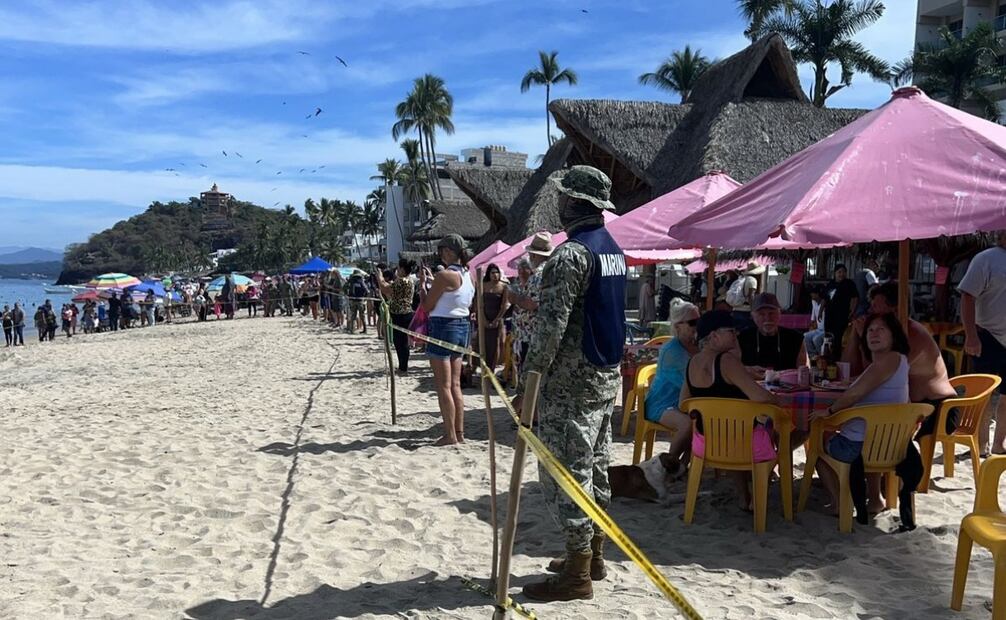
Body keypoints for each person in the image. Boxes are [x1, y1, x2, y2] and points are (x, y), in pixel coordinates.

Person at [520, 166, 626, 603]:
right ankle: (592, 555)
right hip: (604, 376)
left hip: (572, 381)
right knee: (596, 466)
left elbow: (551, 327)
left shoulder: (572, 254)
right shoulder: (613, 250)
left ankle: (578, 572)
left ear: (570, 203)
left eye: (562, 198)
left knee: (565, 471)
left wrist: (531, 378)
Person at [808, 313, 922, 530]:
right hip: (891, 445)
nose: (874, 334)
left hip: (859, 448)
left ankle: (838, 502)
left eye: (881, 329)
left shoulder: (888, 360)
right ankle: (875, 498)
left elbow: (852, 395)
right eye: (870, 330)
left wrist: (829, 411)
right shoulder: (900, 361)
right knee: (870, 436)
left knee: (818, 448)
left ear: (894, 335)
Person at [679, 310, 778, 511]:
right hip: (741, 444)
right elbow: (759, 396)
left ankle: (744, 497)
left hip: (707, 443)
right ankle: (758, 496)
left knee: (732, 427)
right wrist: (780, 400)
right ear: (714, 336)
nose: (736, 334)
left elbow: (684, 402)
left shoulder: (692, 363)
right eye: (731, 331)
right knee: (782, 434)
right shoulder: (726, 361)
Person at [420, 234, 475, 446]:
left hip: (443, 326)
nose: (441, 254)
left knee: (443, 386)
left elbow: (427, 306)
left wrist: (423, 287)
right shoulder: (469, 275)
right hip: (462, 326)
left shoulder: (445, 275)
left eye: (443, 250)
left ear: (449, 252)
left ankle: (450, 434)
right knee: (455, 385)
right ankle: (459, 433)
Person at [959, 230, 1006, 455]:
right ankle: (981, 443)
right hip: (987, 335)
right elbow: (967, 295)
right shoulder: (986, 258)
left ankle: (999, 443)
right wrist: (971, 335)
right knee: (984, 395)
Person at [644, 299, 700, 466]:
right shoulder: (672, 350)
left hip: (684, 403)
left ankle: (684, 465)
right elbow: (696, 380)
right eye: (692, 323)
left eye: (699, 321)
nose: (697, 326)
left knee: (703, 422)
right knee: (688, 424)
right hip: (662, 404)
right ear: (678, 326)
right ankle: (669, 465)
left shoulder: (695, 346)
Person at [507, 233, 552, 382]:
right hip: (537, 333)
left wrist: (515, 298)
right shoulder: (550, 271)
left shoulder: (538, 275)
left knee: (528, 378)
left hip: (531, 335)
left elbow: (532, 303)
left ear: (533, 255)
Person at [738, 293, 808, 372]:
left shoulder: (795, 338)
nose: (767, 318)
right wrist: (749, 370)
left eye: (771, 313)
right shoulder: (742, 338)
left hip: (785, 383)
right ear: (753, 316)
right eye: (761, 314)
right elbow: (733, 369)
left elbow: (802, 372)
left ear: (779, 314)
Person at [376, 258, 416, 375]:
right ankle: (402, 366)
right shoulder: (408, 280)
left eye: (398, 268)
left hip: (401, 314)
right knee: (400, 342)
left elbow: (385, 289)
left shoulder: (403, 281)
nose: (397, 270)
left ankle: (403, 368)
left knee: (400, 343)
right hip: (403, 313)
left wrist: (379, 276)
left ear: (403, 269)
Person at [479, 263, 509, 374]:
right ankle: (481, 369)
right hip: (484, 318)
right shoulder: (484, 285)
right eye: (492, 273)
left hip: (497, 319)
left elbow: (504, 305)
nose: (495, 275)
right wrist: (483, 319)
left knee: (495, 345)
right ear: (489, 274)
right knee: (482, 343)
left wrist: (497, 320)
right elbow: (479, 303)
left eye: (497, 272)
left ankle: (491, 370)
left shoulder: (504, 286)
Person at [824, 263, 859, 357]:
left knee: (838, 338)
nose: (841, 274)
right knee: (828, 337)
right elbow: (825, 299)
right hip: (829, 315)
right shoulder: (830, 284)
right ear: (835, 273)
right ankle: (827, 358)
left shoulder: (849, 284)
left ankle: (837, 359)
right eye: (839, 272)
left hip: (842, 315)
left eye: (844, 272)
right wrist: (820, 312)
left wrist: (852, 310)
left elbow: (855, 298)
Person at [725, 262, 762, 330]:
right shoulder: (752, 280)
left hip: (736, 310)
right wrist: (753, 310)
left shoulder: (742, 279)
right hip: (745, 311)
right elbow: (751, 296)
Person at [804, 287, 828, 357]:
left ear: (817, 294)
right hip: (819, 329)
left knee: (816, 339)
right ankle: (813, 356)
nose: (811, 295)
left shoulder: (825, 303)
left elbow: (824, 301)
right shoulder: (813, 301)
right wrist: (811, 323)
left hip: (825, 330)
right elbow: (813, 314)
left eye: (813, 293)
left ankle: (822, 356)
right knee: (805, 336)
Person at [347, 269, 369, 334]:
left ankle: (352, 329)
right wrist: (365, 298)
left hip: (353, 300)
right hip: (360, 300)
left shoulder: (351, 281)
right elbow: (367, 291)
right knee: (362, 316)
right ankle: (364, 329)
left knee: (353, 315)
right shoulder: (361, 281)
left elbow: (345, 289)